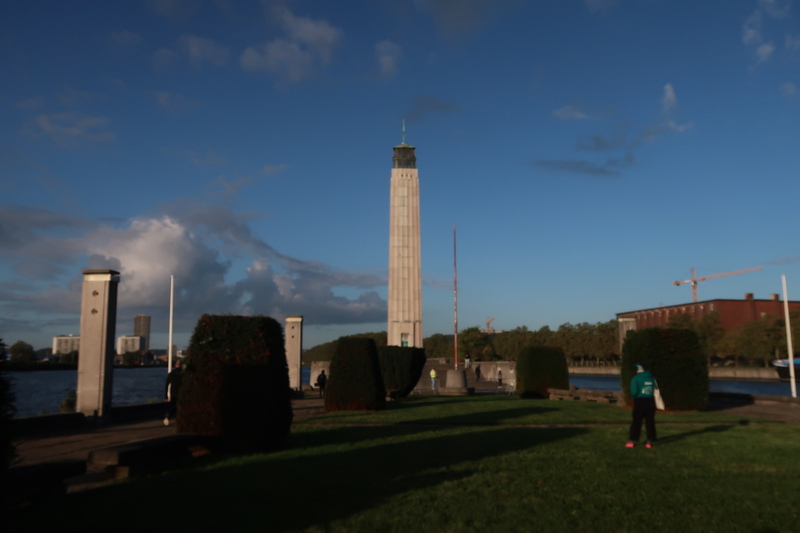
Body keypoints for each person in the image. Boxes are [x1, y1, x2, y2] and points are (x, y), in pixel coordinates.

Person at [627, 364, 657, 449]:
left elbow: (634, 392)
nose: (636, 370)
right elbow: (655, 388)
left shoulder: (636, 378)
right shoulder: (652, 377)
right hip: (651, 400)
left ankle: (632, 440)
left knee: (636, 421)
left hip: (640, 400)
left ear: (640, 369)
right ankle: (649, 441)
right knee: (650, 421)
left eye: (637, 369)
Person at [164, 359, 183, 427]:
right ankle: (178, 420)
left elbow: (166, 385)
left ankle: (168, 416)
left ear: (175, 365)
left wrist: (166, 396)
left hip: (173, 393)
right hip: (180, 392)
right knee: (180, 407)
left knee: (173, 407)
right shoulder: (182, 373)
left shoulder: (171, 374)